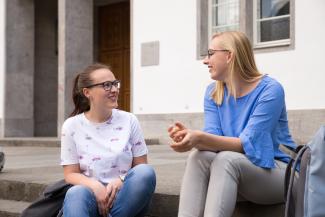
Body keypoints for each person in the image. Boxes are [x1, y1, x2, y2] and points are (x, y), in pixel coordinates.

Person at [168, 31, 297, 217]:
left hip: (281, 173)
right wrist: (191, 139)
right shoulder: (213, 92)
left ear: (229, 55)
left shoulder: (270, 90)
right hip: (238, 172)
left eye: (211, 53)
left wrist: (200, 137)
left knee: (226, 159)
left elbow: (248, 144)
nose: (205, 60)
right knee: (199, 156)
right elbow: (212, 140)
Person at [61, 63, 156, 217]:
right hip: (90, 197)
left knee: (146, 172)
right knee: (76, 193)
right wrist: (95, 186)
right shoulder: (71, 126)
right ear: (87, 92)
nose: (114, 89)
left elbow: (141, 167)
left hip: (124, 199)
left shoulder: (129, 120)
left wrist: (121, 181)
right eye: (106, 85)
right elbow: (70, 174)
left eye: (114, 83)